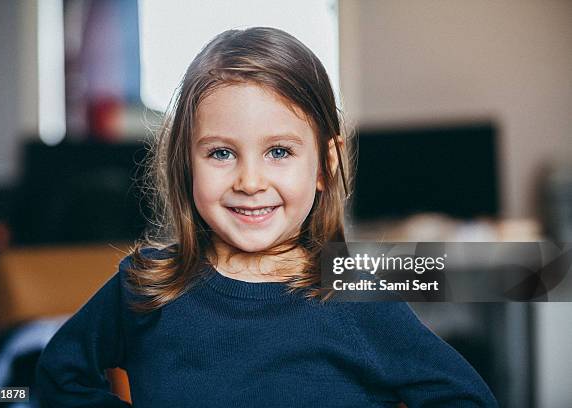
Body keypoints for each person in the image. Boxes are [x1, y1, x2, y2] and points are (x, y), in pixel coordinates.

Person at [36, 27, 498, 407]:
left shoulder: (356, 294)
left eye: (279, 151)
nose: (250, 181)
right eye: (221, 153)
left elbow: (465, 398)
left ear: (324, 165)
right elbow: (59, 378)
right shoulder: (145, 285)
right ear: (185, 164)